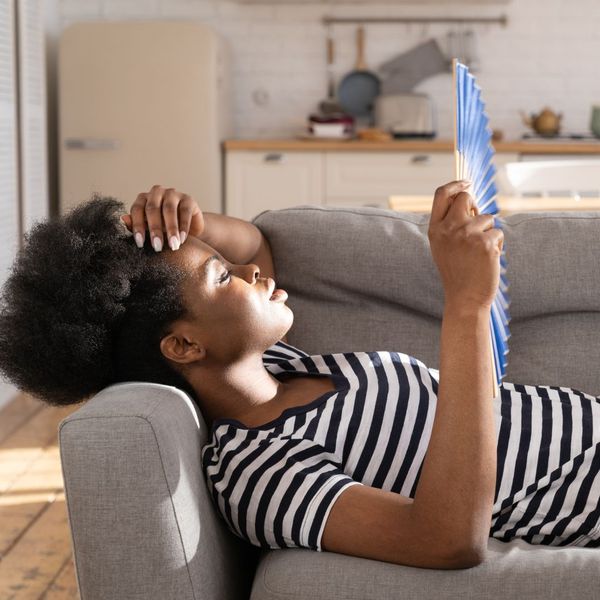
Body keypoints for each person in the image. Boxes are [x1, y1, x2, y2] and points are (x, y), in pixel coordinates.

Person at [0, 182, 598, 571]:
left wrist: (188, 222)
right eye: (219, 276)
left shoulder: (280, 367)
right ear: (185, 345)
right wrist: (467, 304)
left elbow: (253, 242)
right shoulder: (255, 470)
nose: (246, 272)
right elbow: (444, 539)